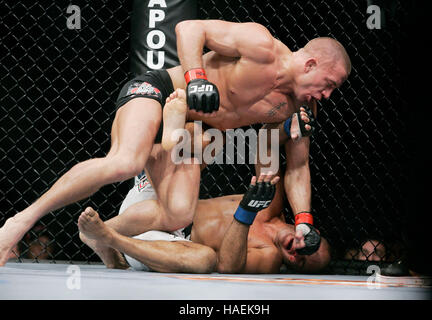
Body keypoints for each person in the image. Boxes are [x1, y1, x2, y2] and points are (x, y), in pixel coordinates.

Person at [0, 19, 351, 266]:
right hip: (161, 91)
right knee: (125, 162)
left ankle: (103, 233)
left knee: (178, 213)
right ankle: (20, 222)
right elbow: (189, 28)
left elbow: (298, 166)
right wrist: (196, 77)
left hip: (189, 132)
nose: (327, 94)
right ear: (310, 63)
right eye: (329, 83)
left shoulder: (301, 107)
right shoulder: (260, 45)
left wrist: (304, 220)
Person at [78, 171, 331, 274]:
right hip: (161, 204)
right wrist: (288, 129)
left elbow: (227, 266)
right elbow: (269, 144)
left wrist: (246, 210)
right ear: (310, 230)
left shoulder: (270, 257)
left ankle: (110, 239)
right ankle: (109, 246)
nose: (299, 252)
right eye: (309, 246)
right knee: (194, 138)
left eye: (302, 262)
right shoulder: (273, 199)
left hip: (162, 247)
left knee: (205, 260)